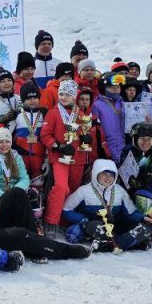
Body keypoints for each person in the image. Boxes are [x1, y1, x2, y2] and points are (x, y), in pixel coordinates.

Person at [60, 159, 152, 252]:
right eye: (104, 174)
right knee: (94, 226)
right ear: (96, 174)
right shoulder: (83, 191)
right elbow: (66, 209)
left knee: (144, 228)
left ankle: (111, 245)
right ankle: (129, 243)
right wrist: (83, 219)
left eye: (111, 175)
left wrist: (143, 217)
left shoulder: (119, 191)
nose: (108, 178)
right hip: (95, 225)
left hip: (115, 226)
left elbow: (131, 212)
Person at [41, 80, 88, 234]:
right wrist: (58, 146)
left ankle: (65, 220)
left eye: (67, 94)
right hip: (59, 158)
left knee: (73, 191)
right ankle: (51, 221)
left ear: (74, 96)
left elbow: (85, 133)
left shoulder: (80, 114)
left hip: (78, 158)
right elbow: (45, 135)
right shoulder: (53, 113)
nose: (63, 97)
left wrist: (87, 138)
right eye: (61, 94)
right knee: (61, 187)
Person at [0, 127, 30, 199]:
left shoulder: (17, 157)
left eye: (7, 141)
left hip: (16, 194)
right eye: (0, 142)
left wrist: (14, 193)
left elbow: (25, 179)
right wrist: (5, 197)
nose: (4, 145)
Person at [91, 72, 126, 164]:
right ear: (103, 88)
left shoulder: (122, 103)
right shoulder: (96, 105)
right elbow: (95, 130)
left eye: (118, 87)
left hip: (122, 145)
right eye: (112, 88)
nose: (116, 90)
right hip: (106, 147)